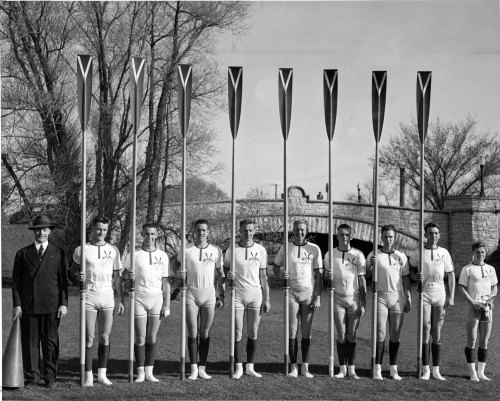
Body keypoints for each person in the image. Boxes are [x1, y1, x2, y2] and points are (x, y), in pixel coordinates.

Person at [12, 215, 69, 389]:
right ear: (33, 231)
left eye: (44, 229)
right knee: (30, 344)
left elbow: (63, 281)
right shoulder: (22, 253)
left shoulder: (58, 252)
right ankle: (32, 378)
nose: (41, 232)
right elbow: (16, 282)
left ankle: (50, 378)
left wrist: (63, 303)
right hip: (29, 305)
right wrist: (17, 304)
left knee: (50, 343)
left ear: (50, 231)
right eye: (38, 229)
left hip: (52, 305)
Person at [71, 215, 125, 386]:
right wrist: (77, 276)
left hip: (107, 297)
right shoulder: (82, 249)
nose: (101, 232)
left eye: (104, 230)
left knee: (105, 336)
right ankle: (88, 375)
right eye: (98, 229)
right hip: (89, 296)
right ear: (92, 229)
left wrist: (121, 300)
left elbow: (117, 277)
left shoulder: (114, 250)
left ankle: (102, 374)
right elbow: (71, 271)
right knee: (89, 337)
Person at [122, 223, 171, 383]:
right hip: (139, 299)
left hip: (156, 299)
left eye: (152, 234)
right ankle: (140, 372)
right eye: (146, 234)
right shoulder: (133, 255)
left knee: (152, 336)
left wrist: (167, 304)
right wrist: (127, 277)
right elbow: (123, 276)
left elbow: (166, 283)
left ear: (157, 235)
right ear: (142, 235)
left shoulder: (163, 256)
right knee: (141, 337)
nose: (149, 237)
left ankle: (150, 372)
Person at [274, 219, 322, 378]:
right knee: (292, 331)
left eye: (302, 229)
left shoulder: (314, 249)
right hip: (291, 293)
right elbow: (275, 266)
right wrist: (281, 275)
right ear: (292, 231)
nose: (299, 232)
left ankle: (305, 367)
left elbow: (319, 275)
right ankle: (294, 367)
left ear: (306, 230)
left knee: (306, 332)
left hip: (308, 294)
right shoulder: (286, 248)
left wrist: (318, 297)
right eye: (296, 230)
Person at [224, 219, 270, 379]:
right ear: (240, 231)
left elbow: (264, 276)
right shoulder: (232, 249)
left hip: (255, 295)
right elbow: (225, 272)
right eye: (245, 230)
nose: (248, 233)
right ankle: (238, 367)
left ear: (254, 231)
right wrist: (228, 276)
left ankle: (250, 367)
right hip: (237, 294)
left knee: (252, 331)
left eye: (251, 230)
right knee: (237, 332)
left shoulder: (260, 250)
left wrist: (267, 298)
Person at [178, 219, 224, 380]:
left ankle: (202, 367)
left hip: (209, 294)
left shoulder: (216, 250)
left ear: (208, 232)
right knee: (193, 332)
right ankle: (193, 368)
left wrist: (221, 295)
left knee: (204, 332)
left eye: (204, 230)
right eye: (198, 230)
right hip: (191, 293)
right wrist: (179, 274)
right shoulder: (186, 250)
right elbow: (176, 266)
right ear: (194, 231)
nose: (201, 233)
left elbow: (220, 275)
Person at [409, 222, 455, 381]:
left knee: (437, 331)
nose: (433, 236)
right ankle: (426, 369)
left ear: (439, 235)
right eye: (430, 233)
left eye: (436, 233)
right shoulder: (418, 252)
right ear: (425, 235)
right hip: (424, 294)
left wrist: (452, 296)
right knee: (425, 330)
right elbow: (411, 272)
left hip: (440, 294)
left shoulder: (444, 252)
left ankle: (436, 370)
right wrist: (416, 277)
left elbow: (451, 275)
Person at [366, 225, 411, 380]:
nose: (388, 239)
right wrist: (370, 265)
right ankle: (377, 368)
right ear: (381, 237)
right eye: (385, 236)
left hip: (397, 297)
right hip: (380, 297)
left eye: (391, 236)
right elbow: (365, 275)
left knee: (395, 334)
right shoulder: (374, 254)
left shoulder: (401, 257)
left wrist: (408, 297)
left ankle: (393, 369)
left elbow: (405, 279)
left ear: (395, 237)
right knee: (380, 333)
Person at [324, 223, 366, 379]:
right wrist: (326, 278)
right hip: (337, 297)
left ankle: (352, 369)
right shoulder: (330, 254)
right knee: (341, 334)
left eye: (347, 234)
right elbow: (325, 282)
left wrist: (363, 304)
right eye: (341, 234)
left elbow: (362, 282)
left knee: (352, 334)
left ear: (351, 236)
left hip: (353, 297)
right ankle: (342, 369)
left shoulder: (358, 255)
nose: (344, 237)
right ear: (337, 236)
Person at [459, 242, 497, 381]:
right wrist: (473, 303)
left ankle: (481, 372)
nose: (480, 254)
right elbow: (462, 289)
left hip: (487, 308)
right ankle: (472, 372)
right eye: (477, 252)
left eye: (482, 252)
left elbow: (494, 288)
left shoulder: (491, 269)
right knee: (472, 340)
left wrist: (491, 299)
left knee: (484, 341)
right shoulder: (467, 269)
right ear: (473, 253)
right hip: (472, 307)